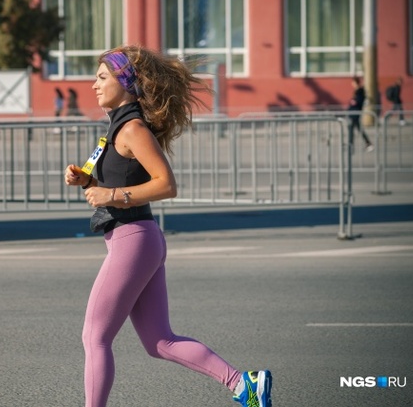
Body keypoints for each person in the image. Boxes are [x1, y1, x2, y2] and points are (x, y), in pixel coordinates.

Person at [63, 45, 272, 407]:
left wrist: (111, 194)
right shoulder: (116, 128)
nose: (93, 85)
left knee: (95, 336)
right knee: (160, 341)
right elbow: (122, 181)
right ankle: (244, 385)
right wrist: (86, 181)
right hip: (138, 241)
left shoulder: (132, 129)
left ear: (124, 81)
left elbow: (166, 184)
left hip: (134, 240)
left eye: (101, 77)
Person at [347, 76, 374, 152]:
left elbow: (358, 101)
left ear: (356, 82)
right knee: (358, 129)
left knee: (351, 129)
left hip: (355, 112)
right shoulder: (357, 91)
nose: (352, 84)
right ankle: (368, 143)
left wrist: (353, 101)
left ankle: (351, 146)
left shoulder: (360, 91)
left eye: (353, 82)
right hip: (353, 112)